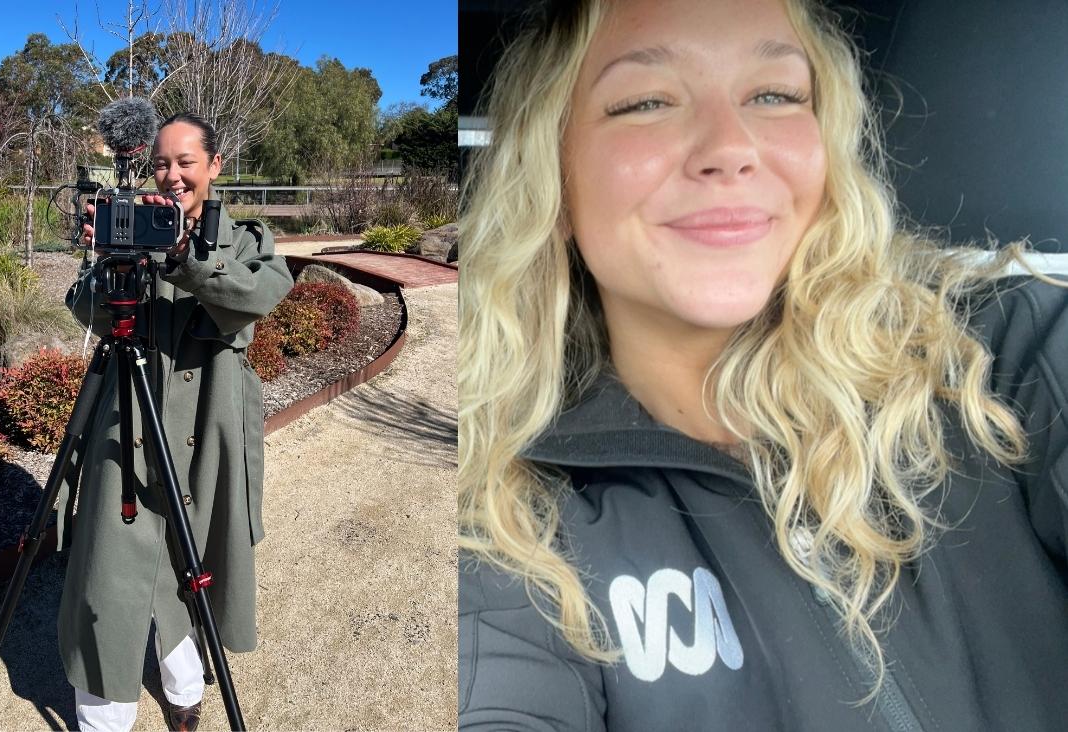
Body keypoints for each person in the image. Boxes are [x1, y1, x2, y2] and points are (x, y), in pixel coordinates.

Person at [457, 0, 1068, 729]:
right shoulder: (508, 516)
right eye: (646, 101)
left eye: (774, 95)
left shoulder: (999, 356)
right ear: (553, 180)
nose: (730, 144)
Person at [59, 112, 293, 732]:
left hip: (207, 432)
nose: (173, 175)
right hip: (128, 426)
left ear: (214, 166)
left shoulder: (243, 240)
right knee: (107, 571)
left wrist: (185, 258)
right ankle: (104, 715)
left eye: (186, 162)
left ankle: (184, 687)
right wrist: (107, 259)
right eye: (163, 162)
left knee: (193, 562)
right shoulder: (127, 229)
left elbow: (261, 295)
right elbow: (91, 315)